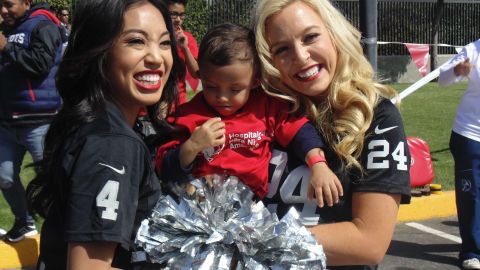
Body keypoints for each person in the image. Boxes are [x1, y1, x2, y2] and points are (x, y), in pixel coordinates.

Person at [253, 0, 411, 269]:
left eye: (310, 37)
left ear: (334, 33)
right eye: (282, 49)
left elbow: (368, 243)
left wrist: (254, 241)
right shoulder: (258, 113)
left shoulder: (376, 117)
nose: (301, 56)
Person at [25, 0, 181, 268]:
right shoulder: (112, 144)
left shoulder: (95, 122)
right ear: (99, 50)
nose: (156, 57)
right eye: (136, 41)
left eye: (164, 43)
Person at [157, 23, 342, 206]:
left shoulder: (266, 107)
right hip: (198, 205)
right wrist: (192, 146)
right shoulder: (190, 114)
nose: (222, 97)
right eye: (211, 86)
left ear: (254, 81)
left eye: (235, 89)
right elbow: (163, 168)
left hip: (250, 209)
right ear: (201, 76)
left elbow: (300, 131)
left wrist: (318, 164)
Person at [0, 0, 63, 242]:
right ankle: (24, 222)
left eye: (9, 5)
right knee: (5, 176)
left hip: (39, 121)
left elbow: (41, 65)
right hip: (7, 122)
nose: (4, 11)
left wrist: (7, 48)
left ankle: (59, 230)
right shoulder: (8, 30)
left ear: (26, 2)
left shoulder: (42, 25)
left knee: (50, 181)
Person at [438, 39, 480, 270]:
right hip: (470, 135)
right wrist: (457, 70)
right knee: (471, 195)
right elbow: (443, 79)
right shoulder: (473, 50)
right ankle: (472, 252)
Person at [168, 0, 199, 104]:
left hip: (178, 104)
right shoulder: (153, 36)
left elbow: (196, 73)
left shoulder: (187, 38)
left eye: (182, 15)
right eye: (173, 14)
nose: (178, 20)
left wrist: (185, 48)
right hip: (150, 107)